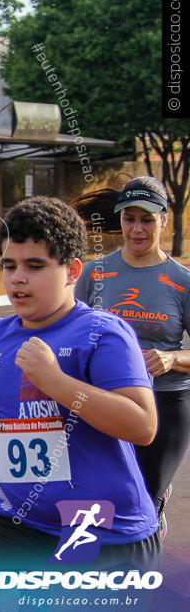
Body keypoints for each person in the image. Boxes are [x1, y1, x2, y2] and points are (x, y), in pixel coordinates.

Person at [0, 196, 160, 580]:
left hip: (98, 523)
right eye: (9, 265)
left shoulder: (103, 334)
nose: (17, 278)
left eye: (35, 266)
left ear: (71, 271)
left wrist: (56, 382)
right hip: (13, 518)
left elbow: (142, 426)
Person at [73, 176, 190, 539]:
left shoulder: (181, 281)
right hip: (103, 400)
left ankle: (141, 582)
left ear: (164, 221)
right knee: (97, 501)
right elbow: (70, 332)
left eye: (148, 219)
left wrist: (172, 358)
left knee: (142, 506)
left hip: (166, 402)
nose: (137, 229)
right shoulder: (95, 274)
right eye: (129, 219)